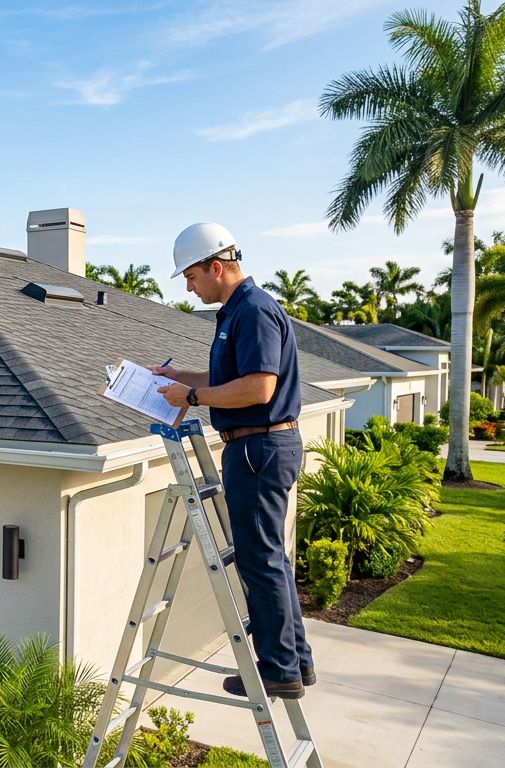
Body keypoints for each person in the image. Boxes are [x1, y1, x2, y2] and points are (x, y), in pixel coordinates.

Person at [149, 222, 314, 700]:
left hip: (259, 448)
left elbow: (259, 387)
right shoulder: (237, 313)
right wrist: (179, 377)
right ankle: (295, 662)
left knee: (260, 562)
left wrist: (193, 396)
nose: (188, 285)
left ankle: (278, 670)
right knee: (272, 561)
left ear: (215, 266)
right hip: (257, 446)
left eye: (191, 276)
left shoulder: (254, 311)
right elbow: (232, 377)